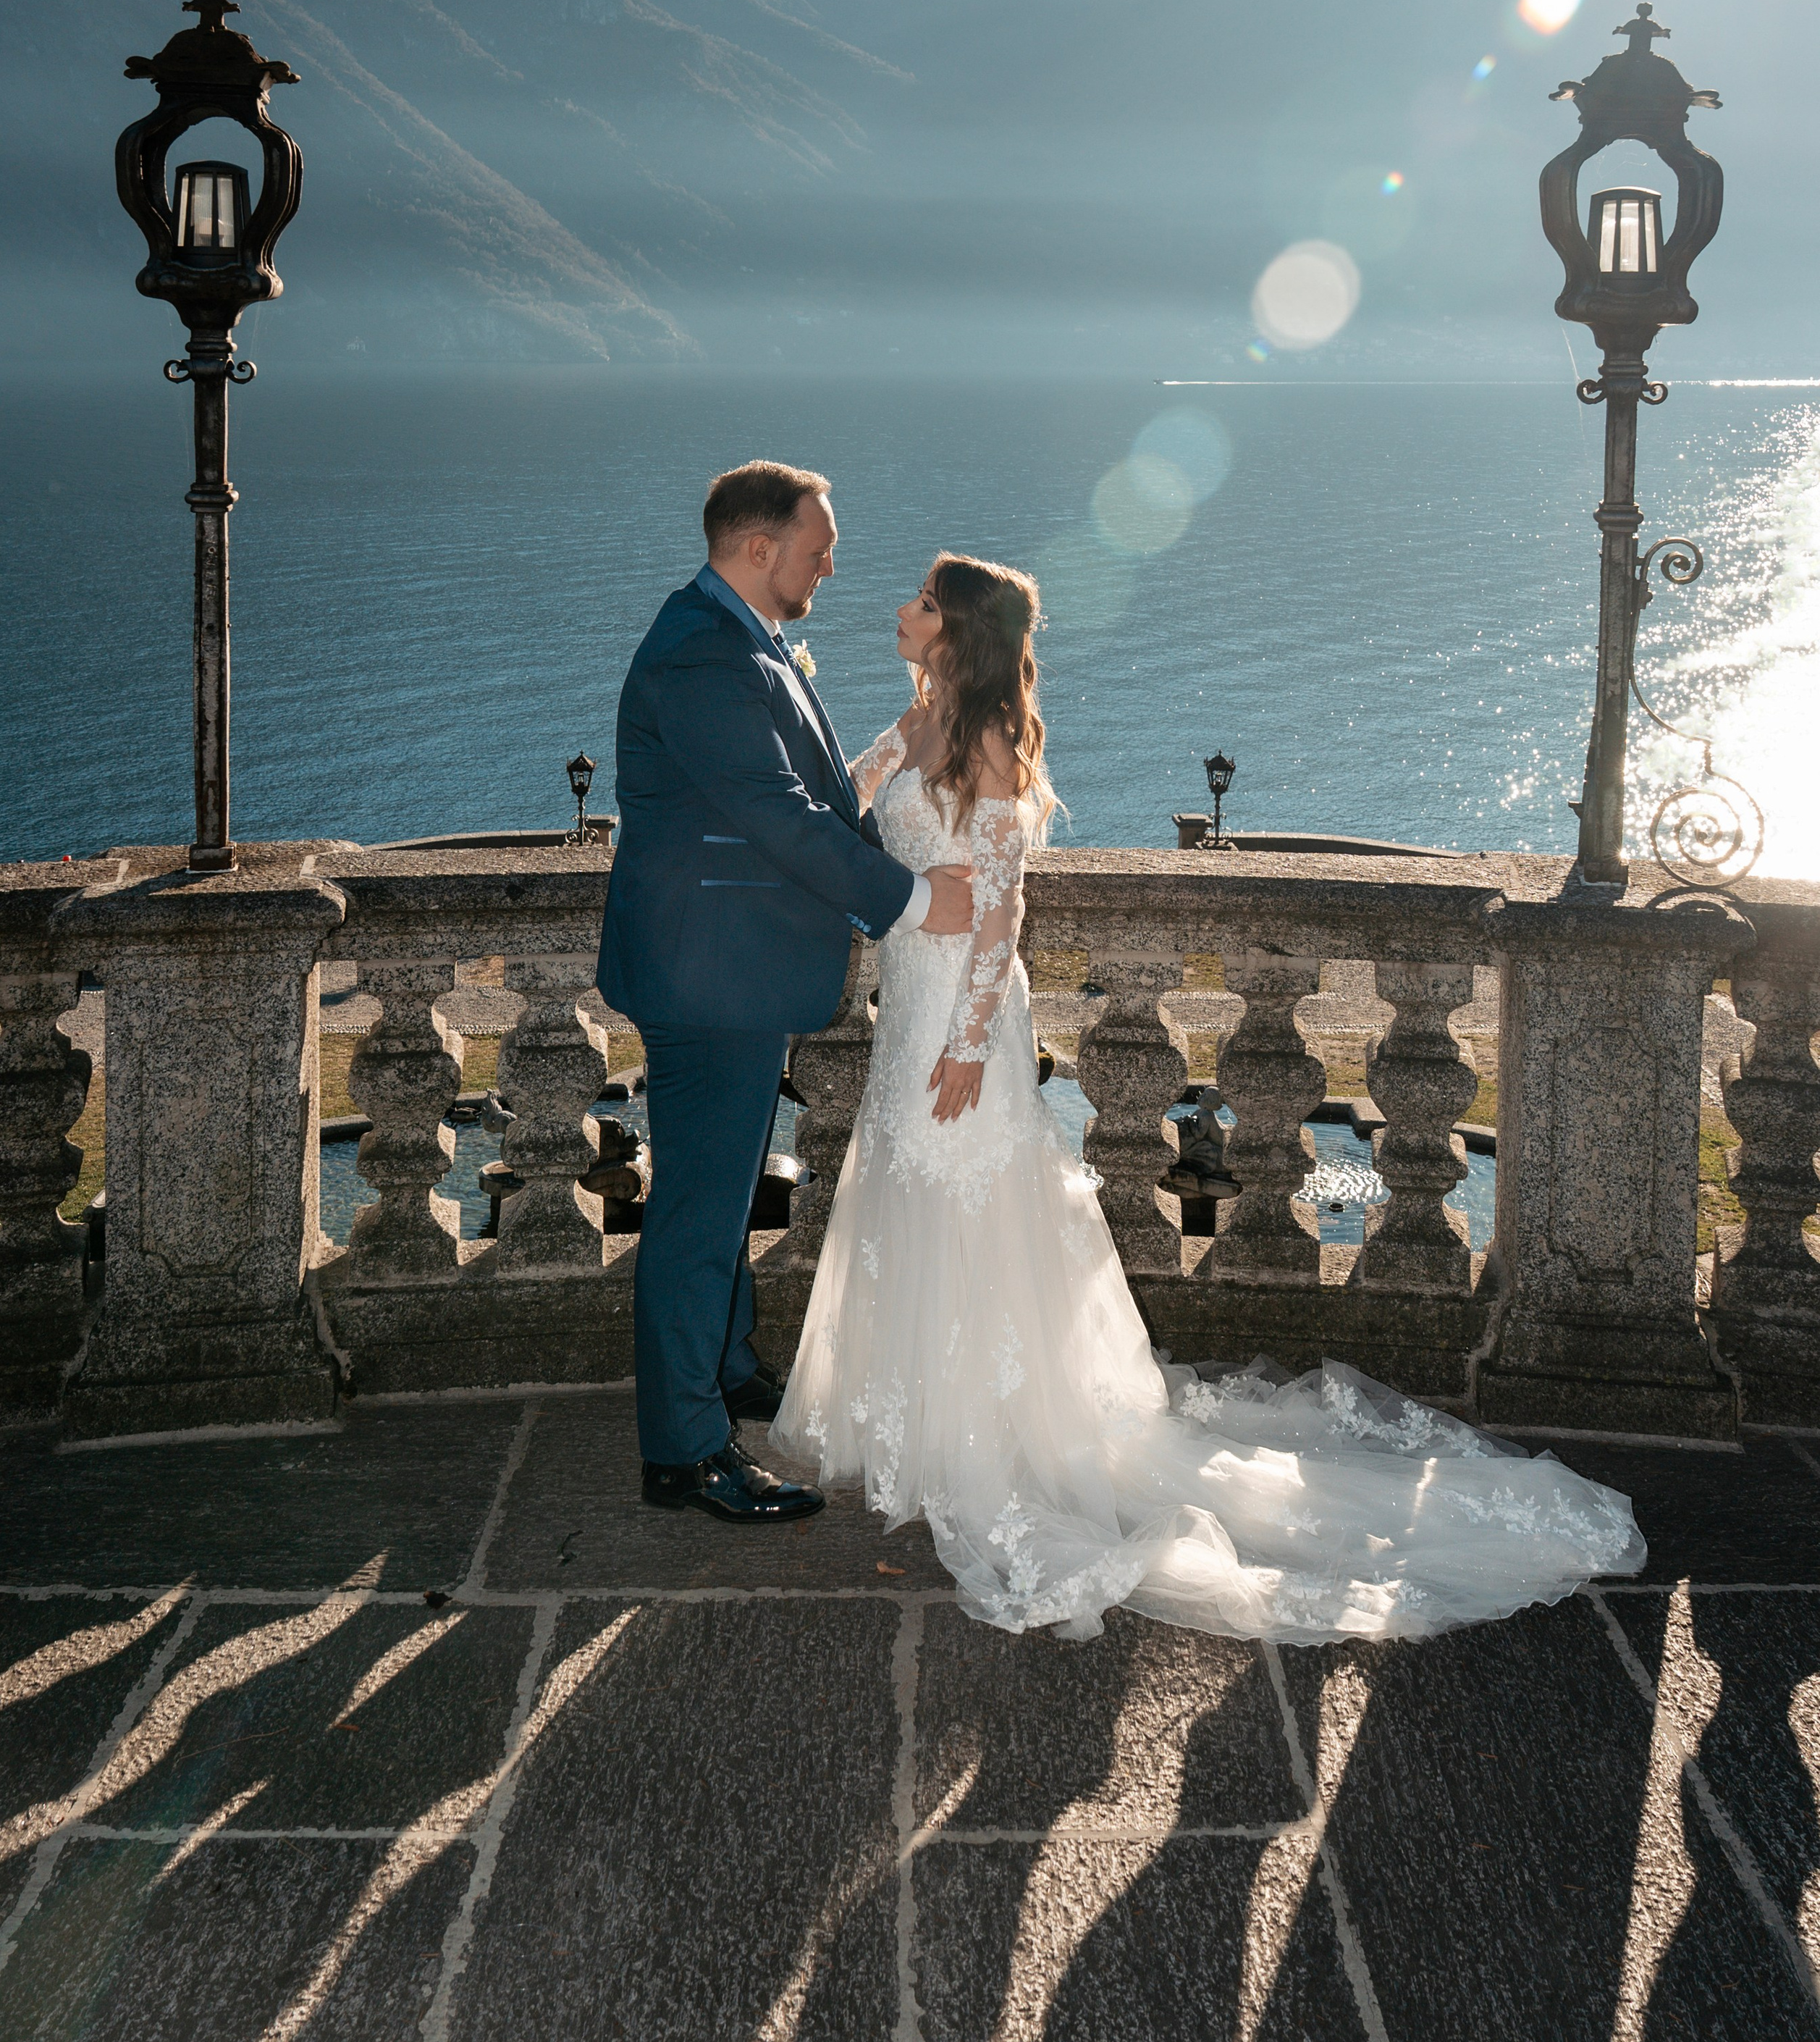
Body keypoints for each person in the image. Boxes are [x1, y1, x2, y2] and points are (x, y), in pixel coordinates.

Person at [772, 551, 1646, 1642]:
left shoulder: (991, 741)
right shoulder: (916, 721)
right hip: (908, 989)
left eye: (921, 603)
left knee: (967, 1185)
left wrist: (964, 1043)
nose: (900, 612)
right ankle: (910, 1417)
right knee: (905, 1179)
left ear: (959, 629)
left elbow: (1004, 910)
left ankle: (990, 1434)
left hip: (965, 1012)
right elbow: (840, 801)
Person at [598, 462, 975, 1525]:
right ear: (759, 549)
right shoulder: (704, 656)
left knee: (717, 1191)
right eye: (819, 546)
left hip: (729, 965)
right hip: (711, 975)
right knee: (699, 1213)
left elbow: (810, 791)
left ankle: (723, 1370)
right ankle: (683, 1449)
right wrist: (908, 900)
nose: (831, 563)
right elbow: (778, 816)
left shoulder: (734, 635)